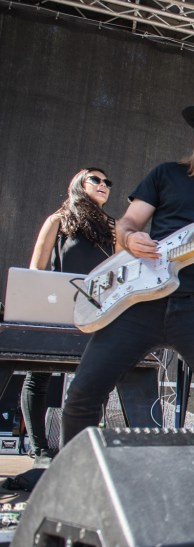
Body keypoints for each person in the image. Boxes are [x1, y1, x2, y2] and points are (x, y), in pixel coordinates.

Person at [61, 96, 194, 446]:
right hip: (139, 303)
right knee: (83, 394)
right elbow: (127, 223)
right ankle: (73, 483)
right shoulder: (167, 174)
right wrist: (130, 239)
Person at [20, 168, 116, 458]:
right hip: (58, 307)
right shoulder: (58, 221)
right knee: (39, 377)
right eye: (96, 180)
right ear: (79, 184)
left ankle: (79, 447)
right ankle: (39, 448)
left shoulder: (112, 227)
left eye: (107, 182)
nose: (104, 185)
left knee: (98, 377)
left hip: (98, 310)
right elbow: (37, 269)